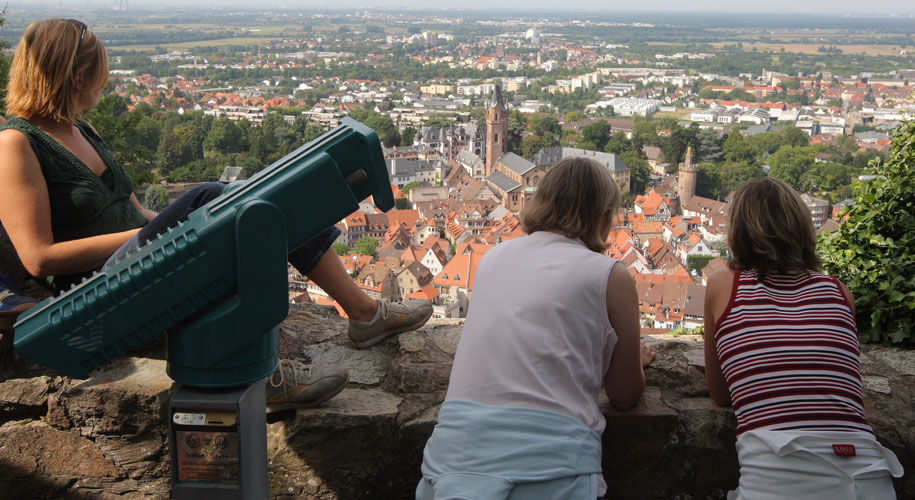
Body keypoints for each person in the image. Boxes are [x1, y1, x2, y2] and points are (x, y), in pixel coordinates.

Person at [0, 18, 433, 413]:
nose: (104, 85)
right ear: (78, 77)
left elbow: (133, 211)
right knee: (219, 199)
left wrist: (179, 224)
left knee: (249, 205)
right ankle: (276, 369)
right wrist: (174, 234)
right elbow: (38, 257)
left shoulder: (81, 130)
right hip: (98, 290)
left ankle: (358, 316)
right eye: (99, 75)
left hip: (137, 263)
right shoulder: (16, 145)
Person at [416, 157, 656, 500]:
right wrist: (633, 360)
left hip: (454, 456)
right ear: (604, 218)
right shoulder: (608, 274)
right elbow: (623, 395)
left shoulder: (491, 259)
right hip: (550, 463)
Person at [703, 177, 903, 499]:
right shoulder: (839, 292)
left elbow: (721, 393)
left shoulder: (724, 286)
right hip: (868, 476)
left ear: (737, 232)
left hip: (780, 480)